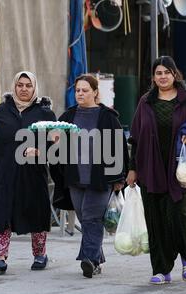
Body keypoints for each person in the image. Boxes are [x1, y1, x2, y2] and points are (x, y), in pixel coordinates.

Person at [126, 56, 186, 285]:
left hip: (181, 171)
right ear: (154, 77)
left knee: (177, 216)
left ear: (175, 75)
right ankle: (161, 269)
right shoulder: (146, 102)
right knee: (155, 221)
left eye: (167, 72)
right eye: (158, 73)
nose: (163, 76)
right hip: (151, 169)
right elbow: (135, 139)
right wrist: (132, 169)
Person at [0, 71, 56, 275]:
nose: (23, 89)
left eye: (28, 85)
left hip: (33, 173)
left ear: (34, 88)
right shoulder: (3, 110)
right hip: (2, 173)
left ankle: (40, 254)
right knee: (2, 213)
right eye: (20, 85)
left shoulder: (45, 113)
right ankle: (0, 258)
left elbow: (58, 144)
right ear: (14, 87)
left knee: (36, 211)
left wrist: (41, 151)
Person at [56, 74, 129, 278]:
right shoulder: (68, 116)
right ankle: (96, 259)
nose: (80, 93)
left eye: (85, 90)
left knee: (92, 217)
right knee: (85, 218)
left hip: (101, 178)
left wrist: (119, 178)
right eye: (77, 90)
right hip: (75, 178)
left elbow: (119, 149)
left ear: (95, 92)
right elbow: (54, 141)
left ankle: (88, 260)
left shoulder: (107, 116)